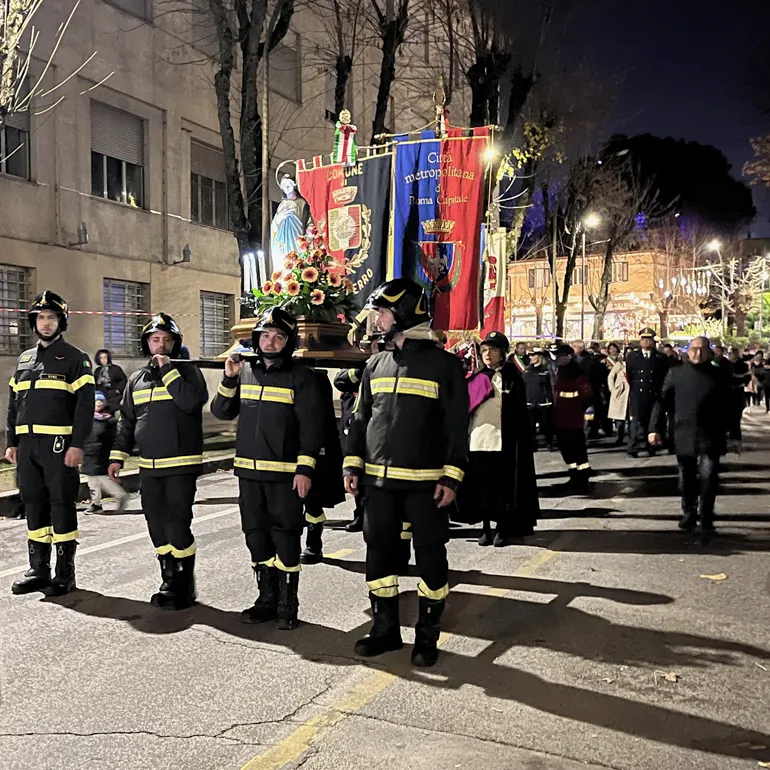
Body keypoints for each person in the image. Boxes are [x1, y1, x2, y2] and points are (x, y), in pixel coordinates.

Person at [343, 278, 468, 668]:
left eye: (381, 312)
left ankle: (427, 637)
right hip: (379, 484)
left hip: (426, 484)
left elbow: (456, 426)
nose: (376, 320)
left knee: (430, 557)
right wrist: (352, 462)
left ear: (403, 314)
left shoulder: (444, 365)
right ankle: (385, 630)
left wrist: (451, 476)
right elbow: (360, 418)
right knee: (378, 554)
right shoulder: (375, 364)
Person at [211, 308, 323, 629]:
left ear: (287, 342)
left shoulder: (301, 378)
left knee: (286, 539)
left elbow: (311, 429)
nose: (270, 342)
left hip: (285, 477)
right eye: (265, 335)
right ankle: (266, 599)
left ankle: (288, 605)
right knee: (256, 538)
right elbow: (221, 411)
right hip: (248, 475)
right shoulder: (245, 371)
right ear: (256, 339)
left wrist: (305, 469)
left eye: (278, 337)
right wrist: (229, 377)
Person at [108, 313, 208, 610]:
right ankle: (168, 579)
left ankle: (184, 584)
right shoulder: (137, 379)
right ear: (147, 344)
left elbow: (190, 402)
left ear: (175, 344)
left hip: (181, 465)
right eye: (155, 340)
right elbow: (126, 421)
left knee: (178, 524)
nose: (161, 345)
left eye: (167, 340)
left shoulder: (188, 372)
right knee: (156, 525)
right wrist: (117, 456)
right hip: (149, 468)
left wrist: (168, 371)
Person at [6, 290, 94, 596]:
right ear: (34, 322)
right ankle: (38, 569)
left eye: (51, 317)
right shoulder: (25, 359)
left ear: (61, 321)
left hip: (59, 446)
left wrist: (77, 444)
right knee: (33, 503)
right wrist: (11, 441)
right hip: (28, 447)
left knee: (60, 505)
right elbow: (13, 404)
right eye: (41, 317)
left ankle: (64, 573)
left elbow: (84, 408)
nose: (46, 323)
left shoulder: (75, 358)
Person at [649, 336, 738, 543]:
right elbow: (661, 403)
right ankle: (688, 512)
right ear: (688, 351)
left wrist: (735, 435)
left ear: (710, 352)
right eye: (694, 349)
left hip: (712, 436)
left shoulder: (720, 375)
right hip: (684, 435)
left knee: (709, 479)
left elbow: (731, 407)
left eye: (702, 350)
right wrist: (654, 429)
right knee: (686, 479)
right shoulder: (676, 373)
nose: (697, 354)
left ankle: (706, 519)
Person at [458, 331, 540, 546]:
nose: (488, 354)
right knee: (481, 488)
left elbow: (521, 413)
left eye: (493, 350)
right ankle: (485, 527)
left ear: (503, 353)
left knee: (503, 489)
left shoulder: (514, 379)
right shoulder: (476, 378)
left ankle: (503, 527)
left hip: (504, 442)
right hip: (478, 440)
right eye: (485, 350)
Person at [300, 369, 345, 564]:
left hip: (312, 446)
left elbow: (320, 417)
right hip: (283, 445)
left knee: (312, 499)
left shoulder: (316, 377)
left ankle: (313, 545)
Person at [552, 344, 593, 490]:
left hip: (573, 416)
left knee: (576, 447)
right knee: (566, 447)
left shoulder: (576, 371)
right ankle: (574, 475)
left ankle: (582, 477)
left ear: (569, 356)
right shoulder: (561, 370)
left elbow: (586, 394)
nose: (557, 358)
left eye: (560, 356)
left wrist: (579, 410)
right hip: (561, 415)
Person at [624, 328, 669, 458]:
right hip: (638, 394)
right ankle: (633, 447)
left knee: (652, 422)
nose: (646, 342)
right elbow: (629, 375)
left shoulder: (660, 357)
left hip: (654, 394)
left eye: (648, 339)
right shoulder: (633, 356)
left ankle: (650, 446)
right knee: (636, 422)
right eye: (643, 339)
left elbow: (664, 376)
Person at [334, 362, 367, 532]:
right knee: (354, 474)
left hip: (373, 427)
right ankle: (360, 514)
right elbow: (339, 381)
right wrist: (362, 370)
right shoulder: (355, 364)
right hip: (351, 426)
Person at [83, 391, 128, 514]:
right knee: (92, 480)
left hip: (102, 454)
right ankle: (96, 503)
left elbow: (116, 438)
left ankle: (120, 494)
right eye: (96, 400)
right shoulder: (86, 418)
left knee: (102, 478)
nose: (98, 403)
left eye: (101, 401)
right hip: (88, 453)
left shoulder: (110, 421)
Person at [523, 348, 554, 450]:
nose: (531, 357)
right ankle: (533, 445)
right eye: (530, 355)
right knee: (530, 426)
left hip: (544, 402)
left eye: (533, 355)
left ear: (539, 356)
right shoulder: (527, 371)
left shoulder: (546, 370)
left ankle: (549, 442)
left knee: (546, 425)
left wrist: (551, 400)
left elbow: (551, 386)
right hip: (530, 402)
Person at [607, 346, 630, 447]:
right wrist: (612, 389)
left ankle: (631, 437)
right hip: (620, 393)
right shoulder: (619, 364)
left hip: (630, 393)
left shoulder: (635, 364)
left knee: (630, 417)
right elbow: (610, 377)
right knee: (619, 417)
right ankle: (620, 437)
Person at [93, 349, 127, 414]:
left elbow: (123, 380)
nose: (103, 359)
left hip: (114, 394)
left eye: (105, 357)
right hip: (101, 394)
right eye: (101, 358)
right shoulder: (97, 371)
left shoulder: (116, 368)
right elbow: (95, 383)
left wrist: (118, 390)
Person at [727, 347, 750, 440]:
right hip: (727, 393)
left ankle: (736, 438)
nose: (729, 355)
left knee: (736, 418)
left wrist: (738, 379)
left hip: (738, 393)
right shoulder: (726, 364)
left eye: (731, 353)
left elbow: (746, 378)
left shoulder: (742, 365)